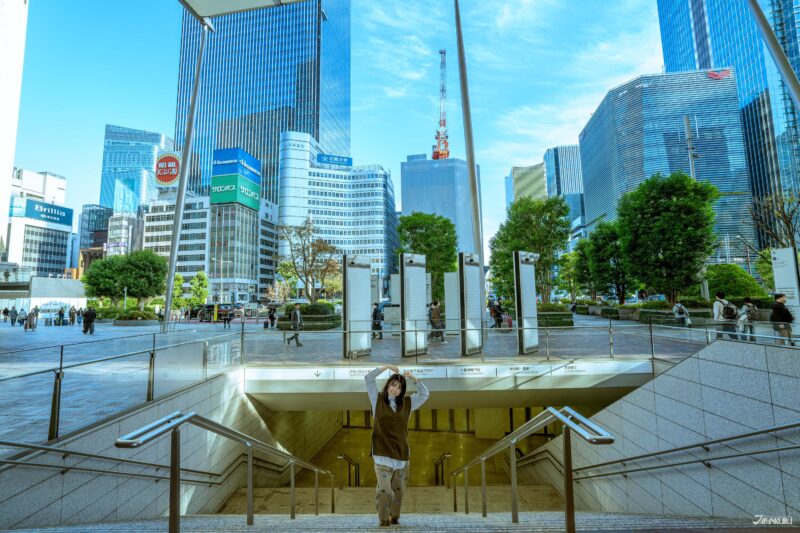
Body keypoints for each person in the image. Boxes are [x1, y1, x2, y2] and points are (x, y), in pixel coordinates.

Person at [364, 365, 429, 527]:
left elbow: (425, 394)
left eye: (399, 387)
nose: (395, 389)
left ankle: (395, 516)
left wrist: (415, 379)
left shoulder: (408, 403)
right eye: (393, 385)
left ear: (402, 390)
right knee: (385, 490)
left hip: (401, 455)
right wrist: (385, 367)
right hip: (381, 454)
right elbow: (368, 379)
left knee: (399, 492)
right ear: (387, 385)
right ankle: (383, 519)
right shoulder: (376, 399)